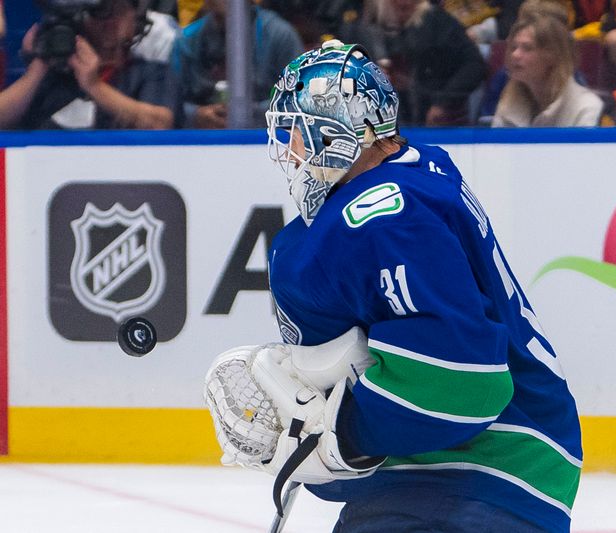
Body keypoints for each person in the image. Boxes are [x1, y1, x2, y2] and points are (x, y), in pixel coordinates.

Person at [204, 40, 582, 532]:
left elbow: (465, 380)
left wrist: (343, 435)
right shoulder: (420, 169)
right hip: (469, 474)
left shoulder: (382, 219)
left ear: (337, 136)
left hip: (479, 472)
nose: (289, 154)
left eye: (296, 134)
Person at [0, 0, 178, 130]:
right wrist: (38, 67)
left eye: (119, 11)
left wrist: (94, 86)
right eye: (98, 13)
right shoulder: (52, 77)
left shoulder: (153, 73)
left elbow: (159, 123)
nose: (110, 21)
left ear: (136, 17)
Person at [170, 0, 303, 128]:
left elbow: (300, 98)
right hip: (200, 140)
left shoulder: (280, 35)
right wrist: (196, 115)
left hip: (266, 137)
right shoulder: (186, 40)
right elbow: (171, 103)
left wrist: (253, 113)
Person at [375, 0, 487, 125]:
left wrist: (443, 103)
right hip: (402, 115)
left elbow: (474, 65)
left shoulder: (437, 21)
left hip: (441, 118)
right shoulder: (381, 26)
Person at [491, 12, 604, 126]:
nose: (515, 55)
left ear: (553, 56)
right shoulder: (508, 102)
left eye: (527, 48)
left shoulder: (586, 107)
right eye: (514, 47)